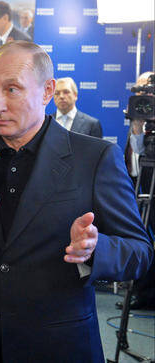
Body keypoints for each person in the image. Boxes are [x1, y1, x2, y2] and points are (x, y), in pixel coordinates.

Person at [0, 41, 153, 362]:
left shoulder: (95, 157)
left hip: (61, 345)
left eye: (13, 89)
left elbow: (140, 252)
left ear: (47, 92)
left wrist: (93, 249)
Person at [118, 71, 155, 311]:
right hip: (146, 187)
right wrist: (137, 125)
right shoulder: (144, 115)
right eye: (139, 90)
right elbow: (139, 153)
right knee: (145, 239)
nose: (143, 95)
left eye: (147, 90)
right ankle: (144, 294)